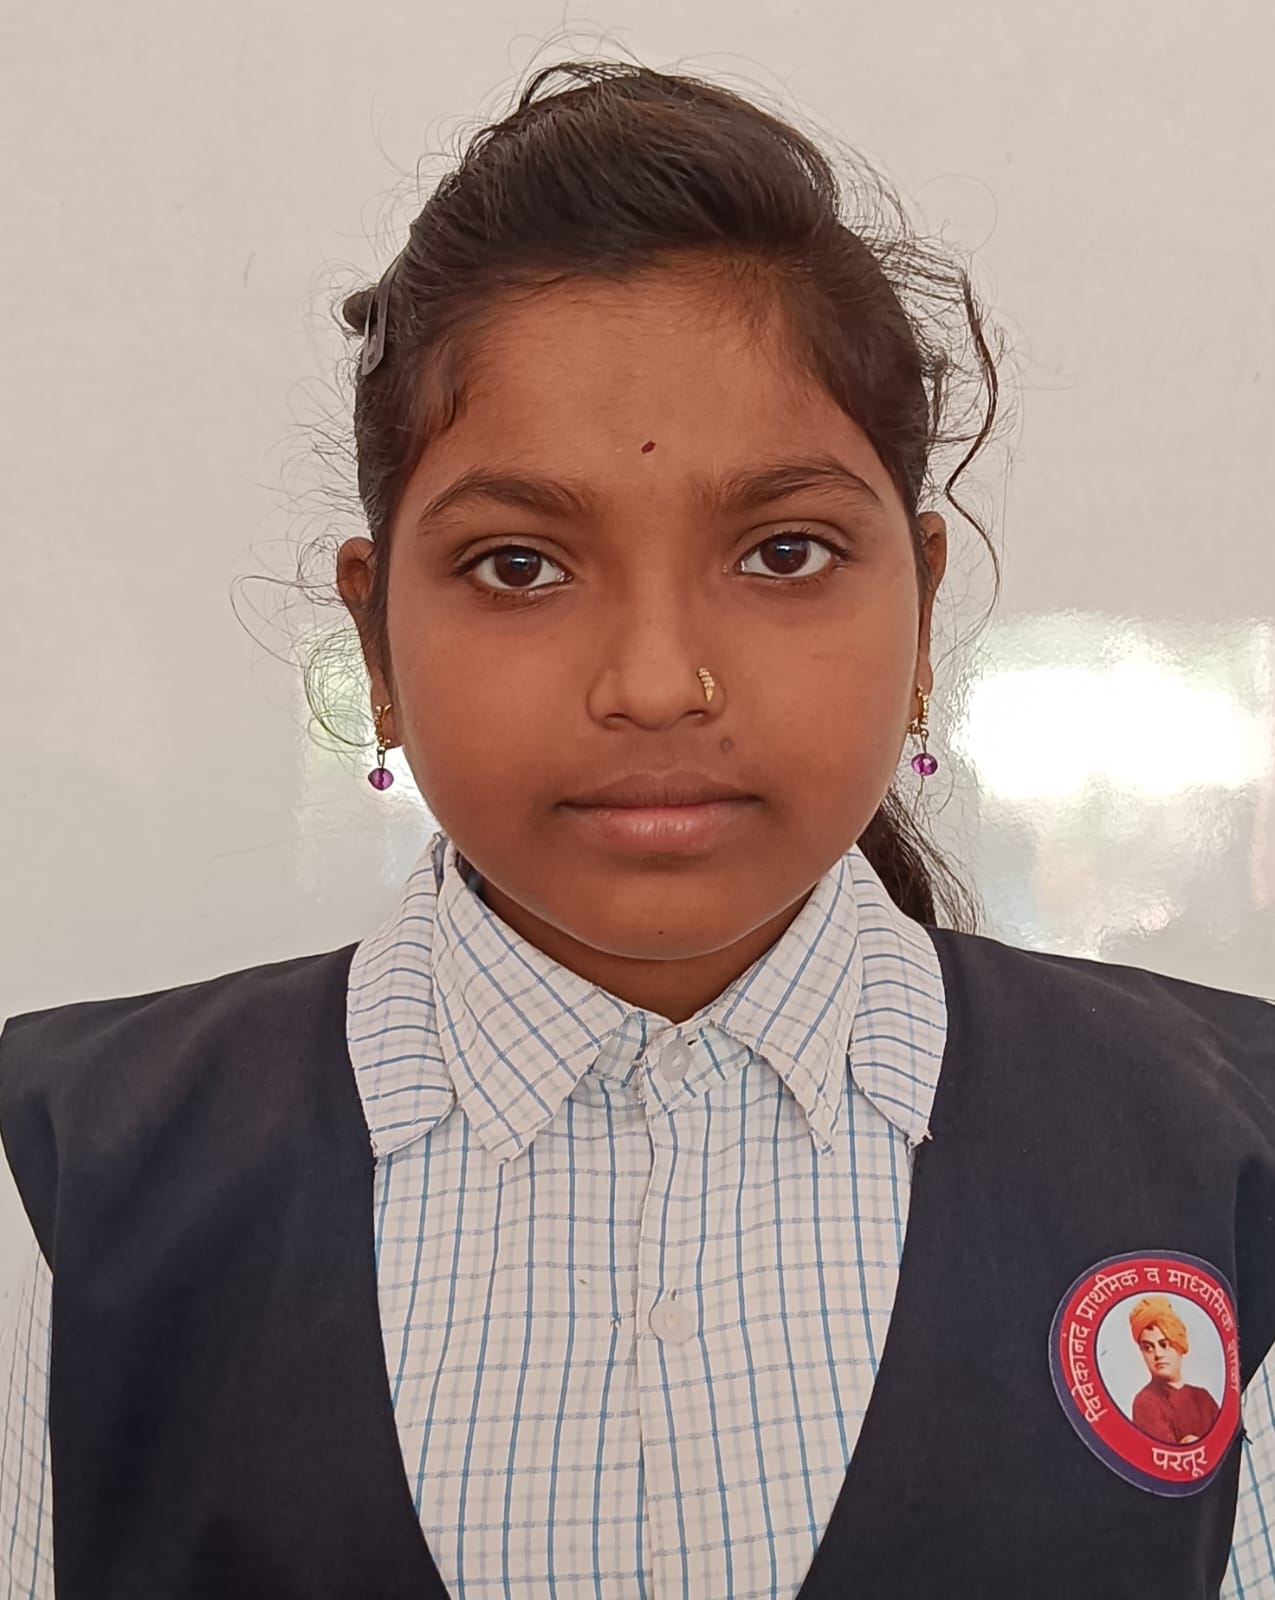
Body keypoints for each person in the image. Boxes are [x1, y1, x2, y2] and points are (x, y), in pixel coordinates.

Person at [0, 56, 1273, 1600]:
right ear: (378, 642)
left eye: (784, 550)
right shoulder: (62, 1188)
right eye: (518, 565)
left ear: (921, 611)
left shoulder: (1226, 1153)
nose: (657, 683)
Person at [1129, 1295, 1222, 1446]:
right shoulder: (1145, 1402)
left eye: (1164, 1344)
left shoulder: (1203, 1398)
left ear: (1179, 1345)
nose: (1158, 1354)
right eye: (1148, 1348)